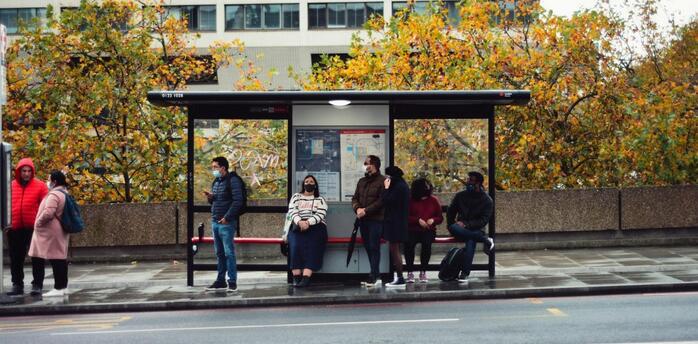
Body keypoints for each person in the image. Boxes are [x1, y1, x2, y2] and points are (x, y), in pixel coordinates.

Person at [5, 158, 48, 296]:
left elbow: (46, 205)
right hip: (15, 228)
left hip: (34, 228)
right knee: (16, 258)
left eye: (29, 171)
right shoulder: (10, 186)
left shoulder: (40, 186)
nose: (26, 173)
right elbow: (5, 205)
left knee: (37, 257)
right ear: (19, 172)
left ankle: (37, 284)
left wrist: (41, 223)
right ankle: (17, 284)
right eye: (24, 171)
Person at [203, 157, 244, 292]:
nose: (213, 170)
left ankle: (232, 281)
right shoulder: (217, 181)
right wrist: (211, 197)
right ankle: (220, 280)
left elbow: (238, 201)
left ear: (223, 168)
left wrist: (227, 217)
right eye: (213, 167)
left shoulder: (233, 181)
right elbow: (218, 200)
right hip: (216, 221)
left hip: (226, 222)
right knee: (220, 253)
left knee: (228, 253)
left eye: (215, 167)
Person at [446, 171, 494, 284]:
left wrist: (467, 224)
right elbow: (451, 212)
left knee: (471, 240)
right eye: (468, 180)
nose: (468, 182)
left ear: (478, 183)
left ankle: (464, 274)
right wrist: (451, 224)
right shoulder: (460, 195)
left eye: (471, 180)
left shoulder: (487, 200)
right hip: (459, 228)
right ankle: (484, 239)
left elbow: (483, 220)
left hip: (475, 229)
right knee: (454, 227)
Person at [28, 170, 71, 297]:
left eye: (49, 179)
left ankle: (58, 288)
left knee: (56, 259)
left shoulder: (54, 195)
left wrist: (38, 223)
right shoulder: (64, 193)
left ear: (55, 181)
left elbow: (48, 213)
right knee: (60, 258)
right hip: (57, 231)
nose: (48, 182)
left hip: (50, 232)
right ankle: (63, 287)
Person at [286, 175, 328, 288]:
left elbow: (321, 214)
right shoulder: (296, 197)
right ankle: (296, 277)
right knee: (295, 246)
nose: (309, 183)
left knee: (313, 246)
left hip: (316, 226)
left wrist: (308, 222)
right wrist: (300, 222)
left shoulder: (320, 199)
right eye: (306, 181)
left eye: (311, 181)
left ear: (315, 185)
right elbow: (292, 210)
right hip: (297, 225)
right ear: (303, 184)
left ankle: (306, 278)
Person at [351, 155, 385, 287]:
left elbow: (382, 201)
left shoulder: (383, 181)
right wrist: (358, 208)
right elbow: (355, 198)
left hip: (376, 220)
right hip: (363, 220)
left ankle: (375, 275)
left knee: (374, 247)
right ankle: (374, 274)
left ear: (374, 165)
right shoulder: (361, 181)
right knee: (368, 247)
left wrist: (366, 210)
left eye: (366, 163)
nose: (364, 165)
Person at [405, 178, 443, 283]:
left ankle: (423, 271)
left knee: (427, 245)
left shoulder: (434, 200)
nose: (428, 188)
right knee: (409, 245)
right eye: (425, 186)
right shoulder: (410, 200)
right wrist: (417, 220)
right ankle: (410, 272)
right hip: (412, 229)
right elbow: (405, 216)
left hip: (428, 230)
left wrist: (433, 220)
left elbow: (440, 218)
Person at [381, 166, 410, 288]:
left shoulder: (398, 187)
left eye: (387, 176)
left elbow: (387, 200)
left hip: (395, 222)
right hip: (398, 221)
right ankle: (399, 277)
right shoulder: (402, 185)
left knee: (395, 250)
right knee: (395, 250)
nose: (386, 178)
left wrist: (386, 188)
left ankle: (399, 277)